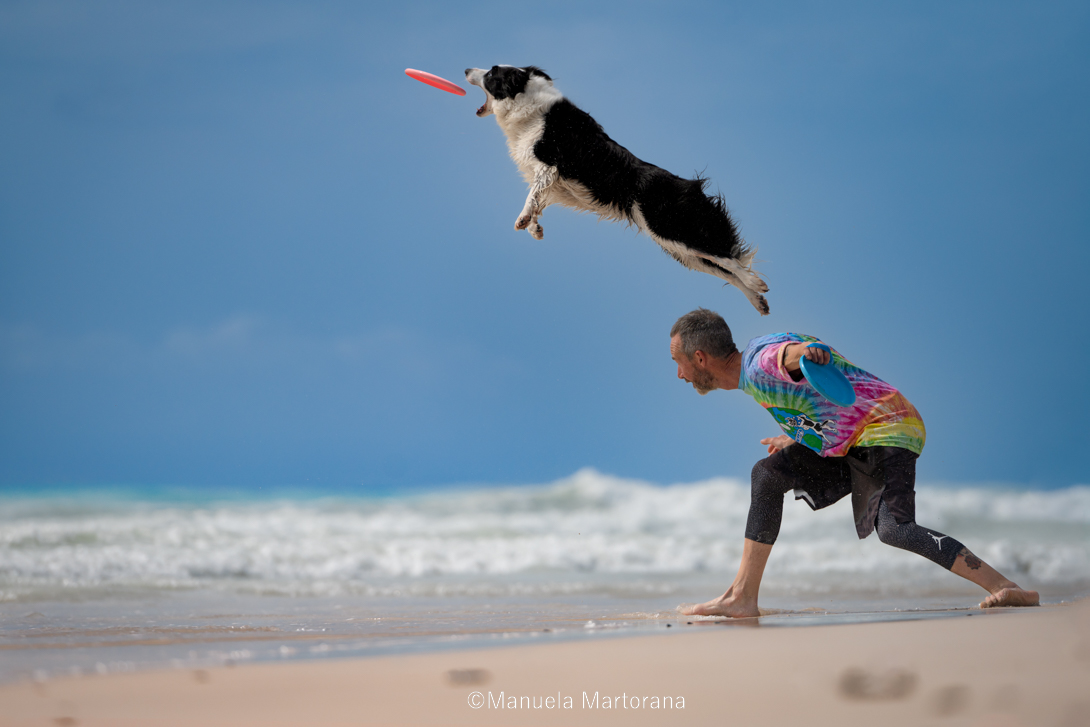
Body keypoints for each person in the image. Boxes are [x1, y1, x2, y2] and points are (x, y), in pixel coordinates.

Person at [668, 308, 1039, 617]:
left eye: (678, 363)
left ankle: (1006, 587)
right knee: (767, 475)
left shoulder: (760, 365)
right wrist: (796, 436)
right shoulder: (754, 360)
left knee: (895, 529)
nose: (680, 375)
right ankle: (742, 597)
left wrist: (806, 352)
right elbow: (814, 397)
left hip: (886, 429)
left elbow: (787, 357)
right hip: (852, 440)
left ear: (700, 358)